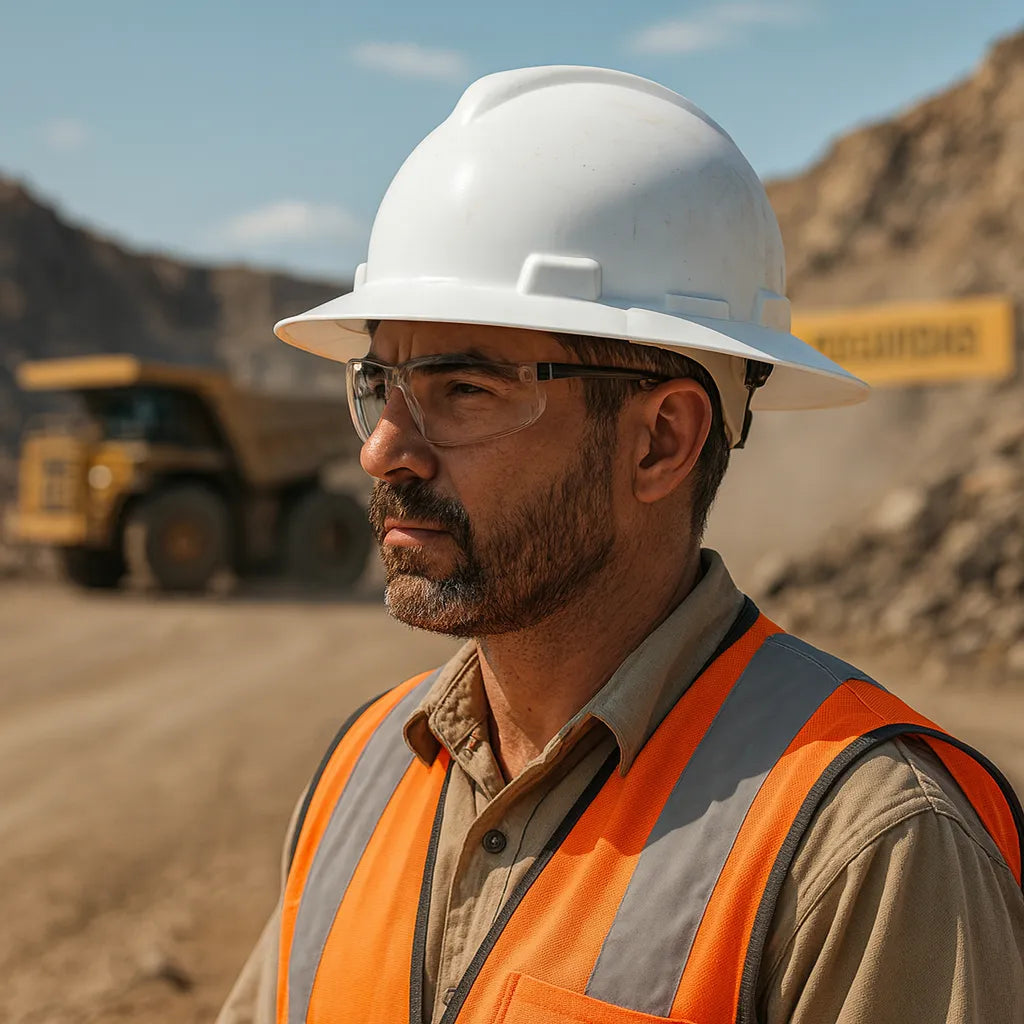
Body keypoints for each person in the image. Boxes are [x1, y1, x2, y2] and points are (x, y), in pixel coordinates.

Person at [217, 67, 1024, 1024]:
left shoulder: (868, 846)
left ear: (661, 441)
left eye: (463, 390)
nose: (382, 448)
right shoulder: (360, 775)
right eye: (378, 385)